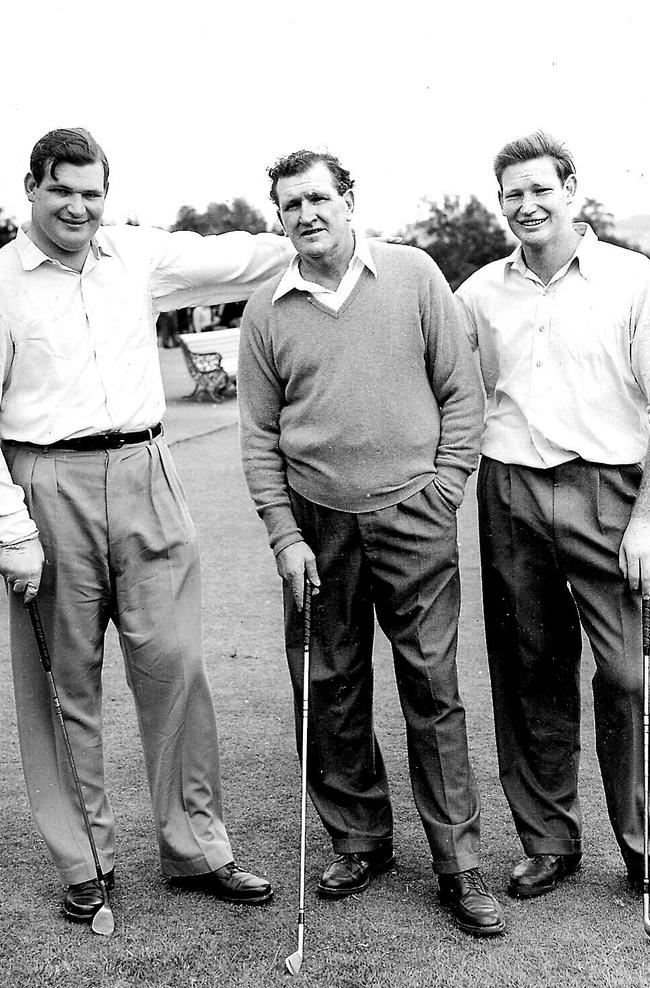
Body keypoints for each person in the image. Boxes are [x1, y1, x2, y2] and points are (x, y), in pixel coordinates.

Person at [0, 127, 294, 925]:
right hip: (46, 481)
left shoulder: (133, 255)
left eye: (92, 192)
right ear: (31, 187)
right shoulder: (1, 281)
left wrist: (312, 230)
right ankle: (86, 859)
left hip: (148, 472)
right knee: (65, 684)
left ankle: (197, 847)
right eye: (62, 190)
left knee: (176, 666)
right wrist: (11, 529)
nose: (78, 206)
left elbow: (236, 256)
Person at [238, 149, 505, 936]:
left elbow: (463, 391)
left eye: (320, 198)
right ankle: (360, 842)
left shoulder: (415, 274)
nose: (307, 214)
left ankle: (459, 864)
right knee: (331, 689)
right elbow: (257, 437)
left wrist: (446, 486)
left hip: (413, 516)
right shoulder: (267, 309)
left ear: (350, 200)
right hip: (318, 526)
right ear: (278, 219)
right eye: (291, 206)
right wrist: (285, 538)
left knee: (433, 690)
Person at [455, 130, 650, 899]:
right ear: (501, 204)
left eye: (541, 189)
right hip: (511, 491)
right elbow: (453, 386)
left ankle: (639, 842)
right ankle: (549, 840)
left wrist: (645, 522)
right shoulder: (477, 292)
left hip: (610, 491)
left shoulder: (633, 280)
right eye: (513, 194)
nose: (527, 205)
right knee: (529, 669)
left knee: (626, 676)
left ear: (572, 190)